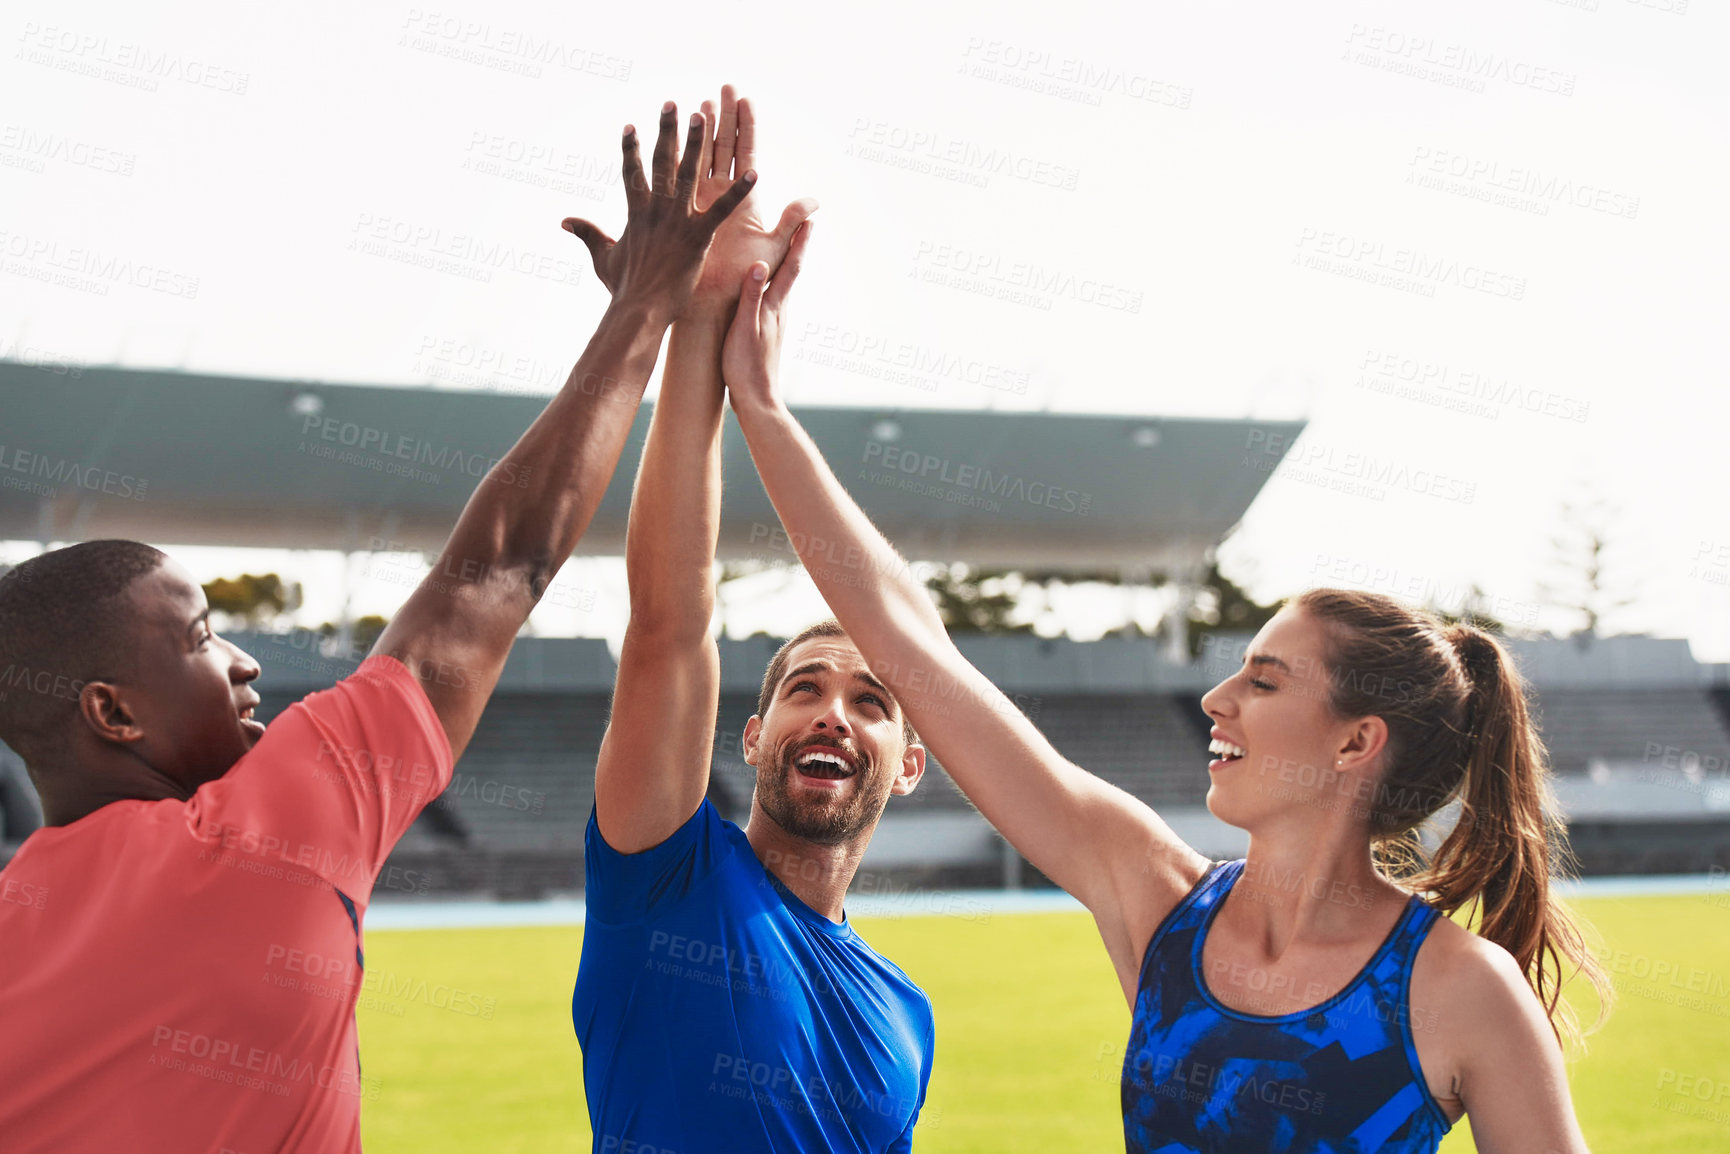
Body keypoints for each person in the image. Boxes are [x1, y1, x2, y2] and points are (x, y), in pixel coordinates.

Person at [716, 228, 1612, 1152]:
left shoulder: (1461, 989)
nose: (1215, 700)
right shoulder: (1156, 900)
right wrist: (763, 409)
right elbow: (916, 653)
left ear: (1356, 742)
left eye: (1263, 681)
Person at [0, 99, 753, 1153]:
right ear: (111, 710)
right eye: (204, 634)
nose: (244, 657)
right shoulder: (269, 828)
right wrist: (647, 304)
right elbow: (496, 571)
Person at [571, 86, 936, 1153]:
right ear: (751, 735)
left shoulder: (903, 1011)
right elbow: (670, 623)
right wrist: (701, 328)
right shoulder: (664, 877)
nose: (831, 711)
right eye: (803, 688)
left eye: (871, 699)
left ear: (910, 760)